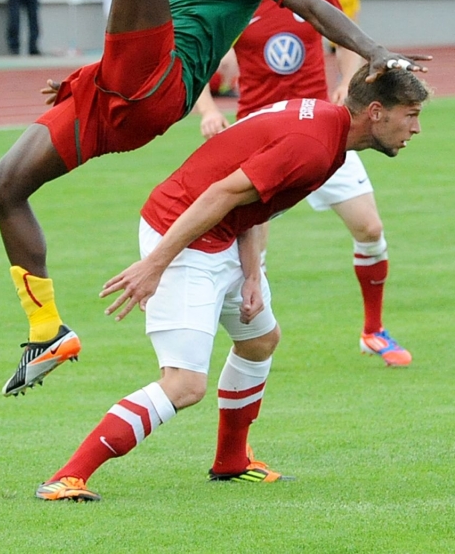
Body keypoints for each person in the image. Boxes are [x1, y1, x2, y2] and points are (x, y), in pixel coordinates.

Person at [0, 0, 429, 399]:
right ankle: (46, 330)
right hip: (112, 96)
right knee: (3, 187)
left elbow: (309, 3)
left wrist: (376, 51)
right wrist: (86, 77)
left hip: (158, 88)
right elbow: (139, 30)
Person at [34, 65, 429, 501]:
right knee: (184, 384)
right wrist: (155, 264)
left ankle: (232, 460)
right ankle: (67, 477)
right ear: (376, 112)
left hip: (219, 232)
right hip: (183, 233)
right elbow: (221, 193)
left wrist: (252, 274)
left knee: (259, 341)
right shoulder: (315, 145)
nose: (416, 128)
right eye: (410, 115)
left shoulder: (327, 129)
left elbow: (255, 201)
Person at [196, 0, 411, 366]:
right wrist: (210, 110)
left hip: (323, 130)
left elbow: (347, 44)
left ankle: (373, 331)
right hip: (262, 137)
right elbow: (198, 62)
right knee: (253, 252)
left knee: (370, 229)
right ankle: (251, 347)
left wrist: (347, 83)